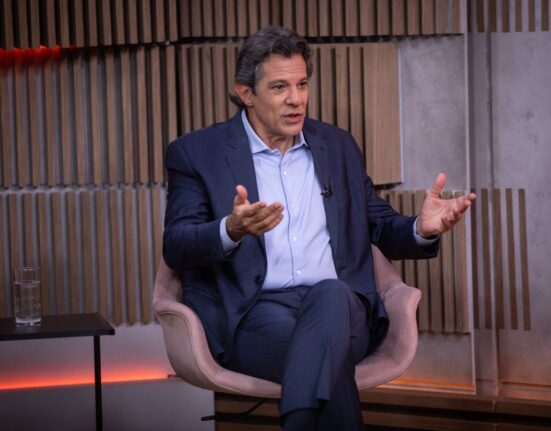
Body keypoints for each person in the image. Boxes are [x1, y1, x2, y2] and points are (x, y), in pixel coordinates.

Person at [163, 26, 475, 431]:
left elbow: (379, 225)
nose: (296, 99)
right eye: (279, 87)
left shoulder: (337, 145)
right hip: (252, 314)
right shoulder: (196, 152)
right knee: (326, 361)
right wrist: (231, 229)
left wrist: (422, 228)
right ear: (246, 93)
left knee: (331, 294)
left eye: (302, 84)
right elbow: (177, 246)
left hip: (341, 309)